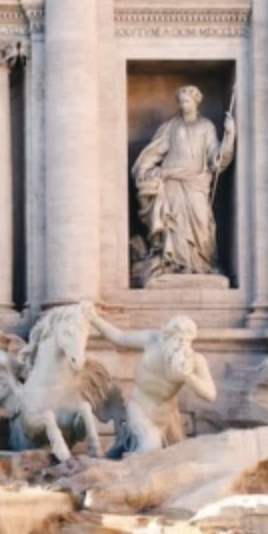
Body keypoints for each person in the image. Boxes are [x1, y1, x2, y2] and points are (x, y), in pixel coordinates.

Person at [132, 85, 235, 278]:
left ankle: (202, 263)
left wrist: (229, 135)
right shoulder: (172, 126)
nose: (183, 105)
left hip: (196, 182)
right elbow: (156, 150)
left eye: (186, 101)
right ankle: (178, 265)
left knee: (201, 220)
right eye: (180, 101)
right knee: (174, 223)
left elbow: (216, 158)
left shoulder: (206, 127)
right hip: (172, 179)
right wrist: (145, 169)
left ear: (196, 102)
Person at [84, 306, 217, 455]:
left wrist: (188, 377)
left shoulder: (194, 360)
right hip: (140, 409)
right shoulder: (151, 340)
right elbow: (120, 338)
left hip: (168, 417)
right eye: (177, 339)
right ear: (166, 335)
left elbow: (210, 394)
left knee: (179, 457)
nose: (181, 346)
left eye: (186, 341)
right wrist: (94, 319)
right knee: (149, 448)